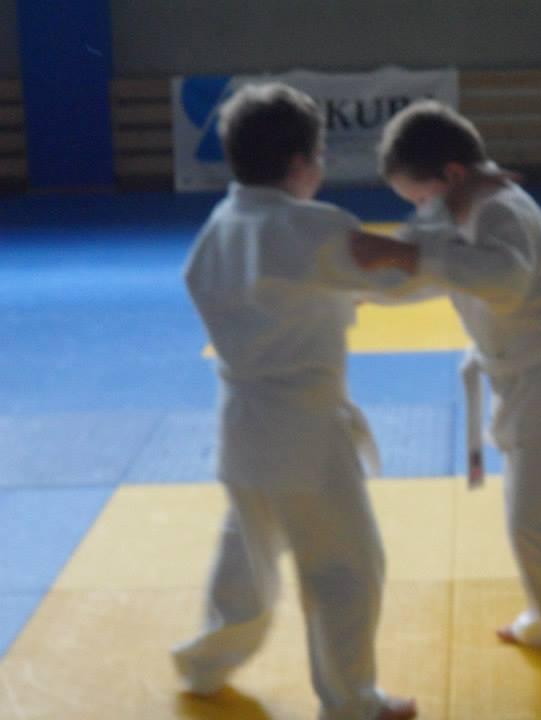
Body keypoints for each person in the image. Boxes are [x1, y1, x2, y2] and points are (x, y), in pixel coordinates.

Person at [349, 100, 541, 703]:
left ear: (453, 173)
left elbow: (503, 280)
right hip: (525, 378)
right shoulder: (453, 208)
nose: (419, 209)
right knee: (531, 513)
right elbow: (417, 270)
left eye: (419, 196)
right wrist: (348, 284)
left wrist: (408, 256)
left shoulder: (502, 209)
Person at [172, 82, 417, 720]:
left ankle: (205, 663)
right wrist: (455, 237)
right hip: (306, 436)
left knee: (247, 557)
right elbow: (397, 274)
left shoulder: (221, 227)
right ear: (300, 162)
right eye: (320, 154)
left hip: (241, 430)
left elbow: (269, 295)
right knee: (346, 567)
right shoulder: (312, 226)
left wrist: (332, 294)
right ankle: (352, 702)